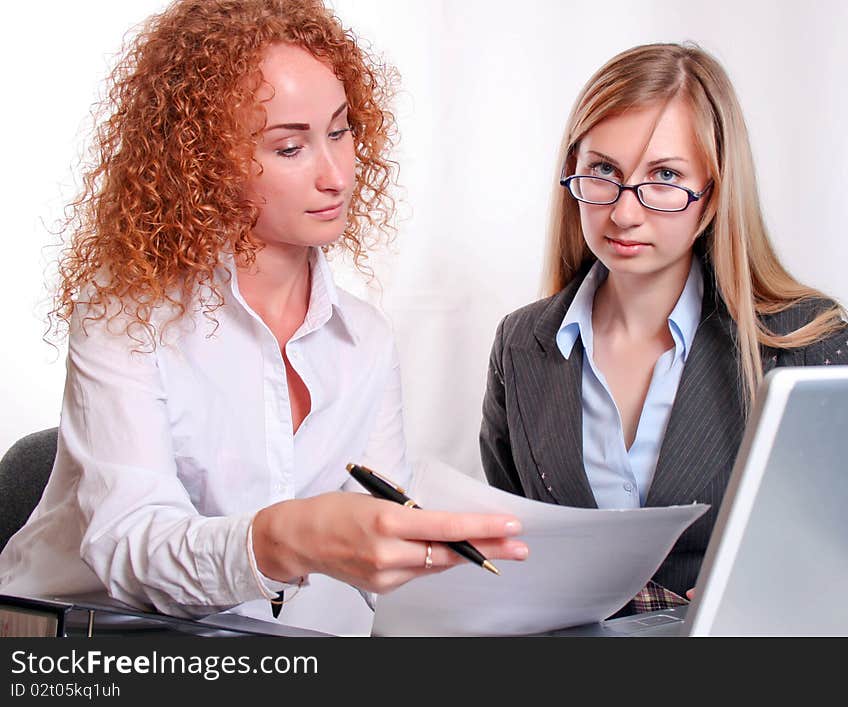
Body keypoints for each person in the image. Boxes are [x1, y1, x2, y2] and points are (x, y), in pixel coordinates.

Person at [0, 0, 527, 637]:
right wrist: (286, 540)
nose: (336, 175)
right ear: (203, 164)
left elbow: (371, 557)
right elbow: (129, 549)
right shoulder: (127, 314)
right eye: (289, 147)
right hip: (74, 643)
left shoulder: (365, 338)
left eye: (339, 131)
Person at [479, 42, 848, 615]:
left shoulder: (804, 343)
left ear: (713, 195)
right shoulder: (521, 346)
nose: (623, 212)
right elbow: (510, 553)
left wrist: (780, 594)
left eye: (664, 176)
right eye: (602, 172)